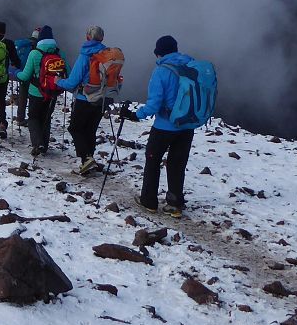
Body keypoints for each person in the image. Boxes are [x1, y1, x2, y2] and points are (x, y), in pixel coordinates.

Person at [122, 35, 194, 218]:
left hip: (165, 126)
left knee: (153, 160)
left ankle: (149, 201)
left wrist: (135, 115)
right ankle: (175, 204)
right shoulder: (190, 66)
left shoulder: (161, 71)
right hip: (187, 125)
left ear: (159, 52)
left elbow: (154, 105)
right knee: (177, 164)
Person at [56, 25, 112, 174]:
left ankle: (86, 159)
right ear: (102, 38)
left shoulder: (86, 55)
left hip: (84, 98)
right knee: (90, 130)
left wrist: (58, 81)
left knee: (75, 128)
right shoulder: (107, 56)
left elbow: (72, 82)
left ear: (88, 37)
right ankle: (89, 160)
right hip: (102, 99)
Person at [16, 25, 68, 157]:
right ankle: (44, 145)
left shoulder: (34, 53)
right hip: (52, 92)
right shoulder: (59, 53)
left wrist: (16, 73)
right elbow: (68, 71)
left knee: (33, 118)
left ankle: (37, 143)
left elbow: (26, 76)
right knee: (46, 118)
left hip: (36, 92)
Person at [12, 28, 38, 127]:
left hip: (22, 73)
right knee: (32, 97)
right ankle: (33, 118)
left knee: (22, 96)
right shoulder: (38, 46)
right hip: (34, 76)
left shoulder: (25, 44)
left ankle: (20, 118)